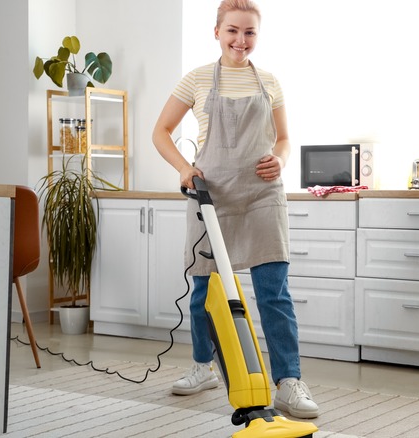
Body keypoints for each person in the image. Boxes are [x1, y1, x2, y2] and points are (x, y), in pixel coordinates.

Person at [151, 0, 319, 420]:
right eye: (233, 31)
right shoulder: (196, 79)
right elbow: (161, 132)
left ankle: (288, 382)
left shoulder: (270, 83)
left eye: (249, 33)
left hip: (262, 195)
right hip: (212, 195)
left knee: (273, 292)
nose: (241, 41)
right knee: (203, 292)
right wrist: (185, 168)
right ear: (217, 32)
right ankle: (202, 367)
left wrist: (280, 159)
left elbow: (283, 139)